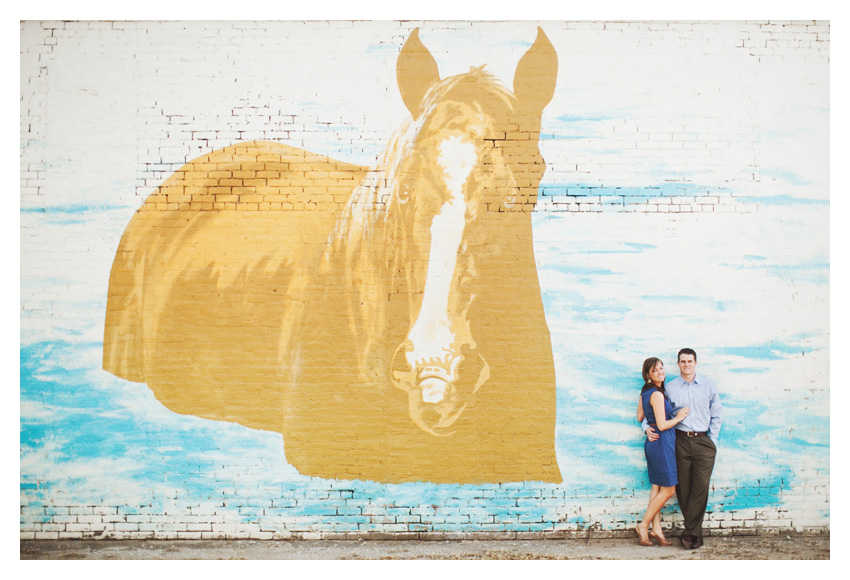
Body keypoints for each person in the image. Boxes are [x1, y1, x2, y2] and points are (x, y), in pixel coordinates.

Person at [642, 348, 722, 550]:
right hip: (679, 441)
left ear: (696, 363)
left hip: (704, 442)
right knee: (683, 488)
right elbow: (651, 411)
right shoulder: (669, 387)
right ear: (678, 364)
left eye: (690, 361)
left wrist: (711, 440)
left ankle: (691, 533)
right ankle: (692, 534)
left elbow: (716, 414)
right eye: (683, 361)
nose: (686, 364)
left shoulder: (708, 385)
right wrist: (645, 429)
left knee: (700, 487)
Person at [635, 357, 689, 546]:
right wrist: (679, 417)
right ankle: (643, 525)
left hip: (655, 442)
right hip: (662, 443)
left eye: (661, 368)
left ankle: (656, 529)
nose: (660, 372)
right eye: (655, 370)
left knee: (657, 486)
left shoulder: (646, 392)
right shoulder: (657, 395)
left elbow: (640, 416)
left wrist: (646, 428)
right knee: (669, 489)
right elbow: (663, 424)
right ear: (648, 375)